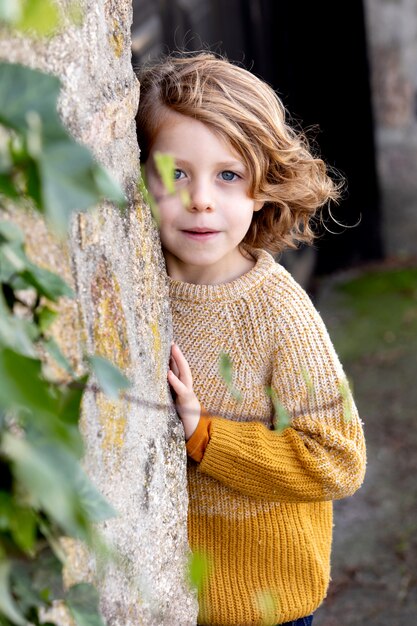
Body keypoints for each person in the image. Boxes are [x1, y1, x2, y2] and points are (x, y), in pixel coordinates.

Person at [136, 52, 366, 626]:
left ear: (262, 187)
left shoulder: (277, 313)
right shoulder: (136, 281)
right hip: (172, 595)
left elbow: (338, 461)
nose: (201, 199)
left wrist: (205, 435)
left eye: (228, 175)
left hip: (266, 603)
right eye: (176, 173)